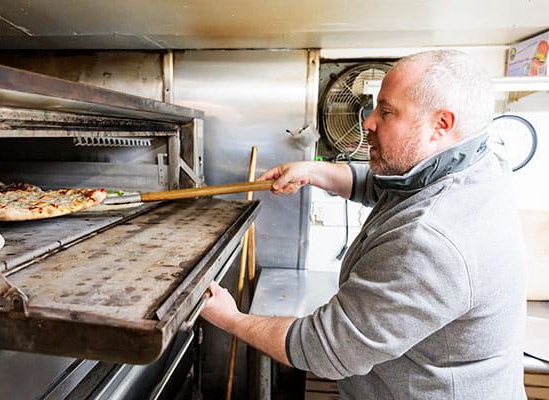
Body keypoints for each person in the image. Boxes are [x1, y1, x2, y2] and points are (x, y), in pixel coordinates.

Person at [200, 50, 528, 399]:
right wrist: (313, 171)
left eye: (386, 112)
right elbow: (389, 184)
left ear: (441, 125)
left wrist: (228, 318)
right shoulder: (477, 163)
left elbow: (324, 350)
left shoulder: (429, 241)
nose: (368, 122)